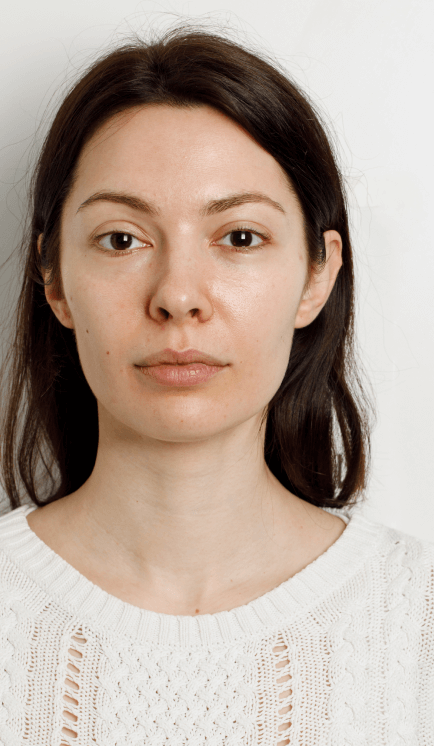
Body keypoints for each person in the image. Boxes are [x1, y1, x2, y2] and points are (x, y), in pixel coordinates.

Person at [0, 25, 432, 746]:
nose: (178, 296)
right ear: (54, 279)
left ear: (318, 275)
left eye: (239, 237)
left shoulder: (416, 617)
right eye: (121, 239)